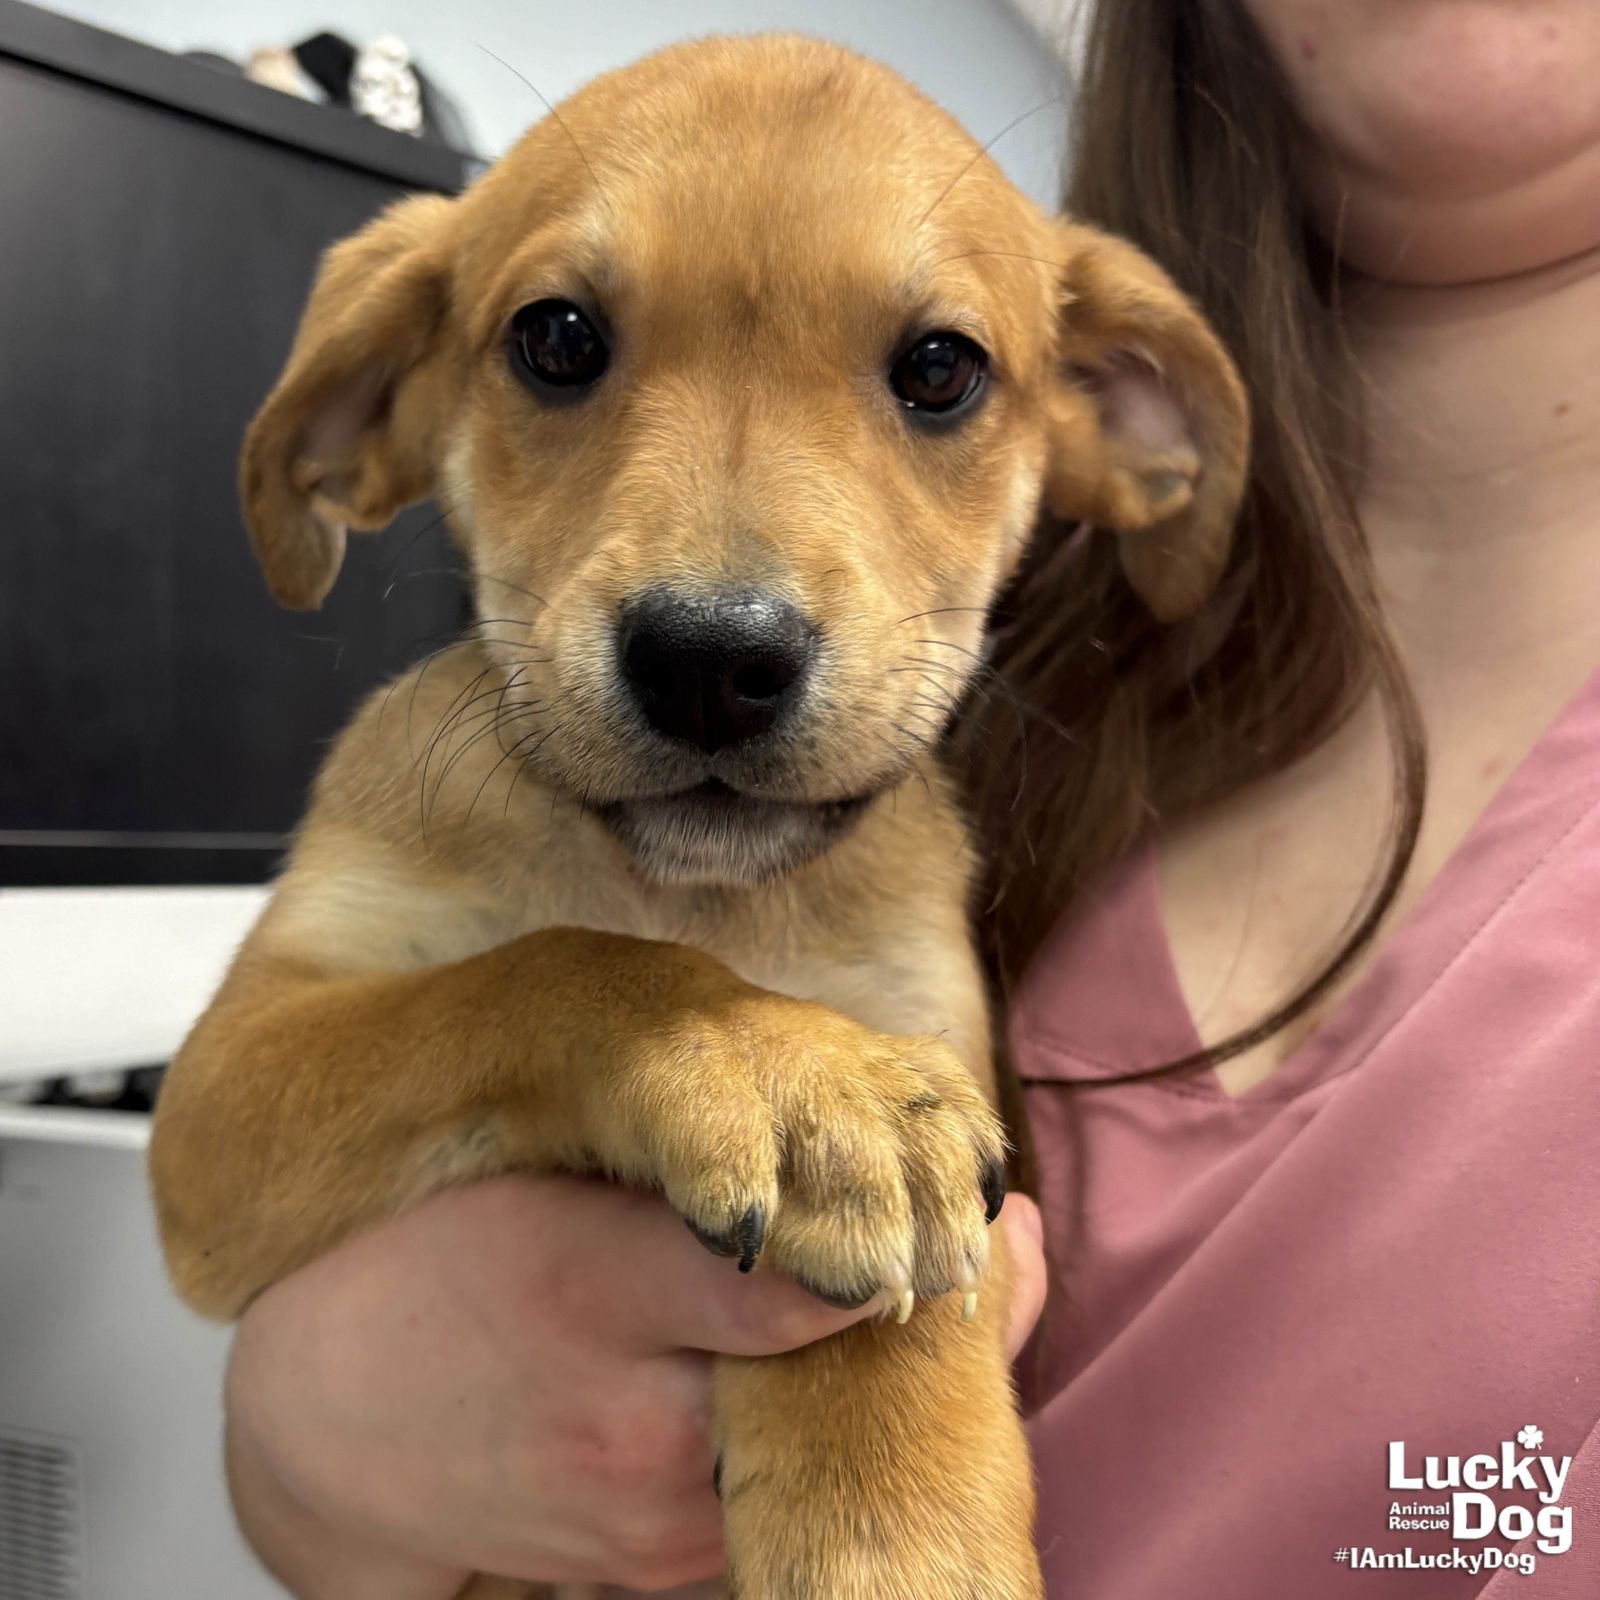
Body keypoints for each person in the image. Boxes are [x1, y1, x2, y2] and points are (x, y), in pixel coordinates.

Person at [224, 1, 1600, 1594]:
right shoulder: (1033, 682)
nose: (722, 590)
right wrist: (308, 1446)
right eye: (564, 346)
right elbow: (260, 1250)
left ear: (1124, 414)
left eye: (933, 371)